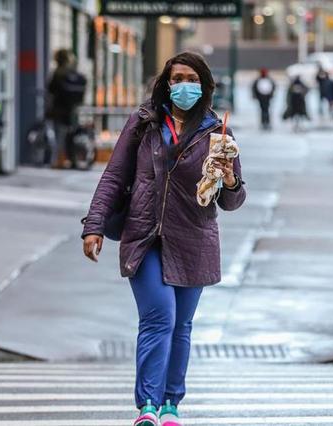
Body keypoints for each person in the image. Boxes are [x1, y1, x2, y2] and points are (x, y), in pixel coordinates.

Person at [81, 52, 246, 426]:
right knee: (160, 318)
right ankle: (149, 407)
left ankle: (171, 403)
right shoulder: (144, 124)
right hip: (144, 236)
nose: (183, 85)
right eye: (177, 78)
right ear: (166, 83)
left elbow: (233, 201)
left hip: (193, 238)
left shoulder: (217, 133)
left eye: (191, 78)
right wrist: (94, 224)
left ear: (203, 85)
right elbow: (114, 176)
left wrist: (229, 179)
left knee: (181, 325)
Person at [47, 49, 87, 168]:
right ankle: (73, 159)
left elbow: (50, 89)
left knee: (59, 135)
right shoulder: (74, 73)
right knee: (71, 134)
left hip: (59, 109)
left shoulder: (58, 73)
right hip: (73, 109)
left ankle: (58, 160)